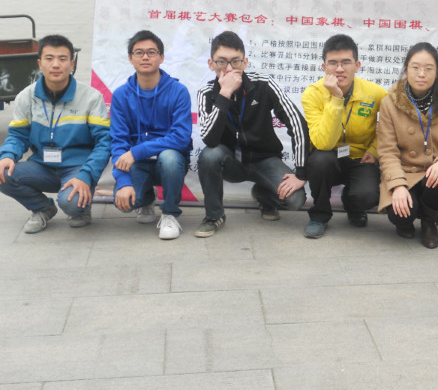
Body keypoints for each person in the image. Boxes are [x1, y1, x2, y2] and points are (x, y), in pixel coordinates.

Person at [196, 31, 309, 237]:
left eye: (235, 61)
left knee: (295, 200)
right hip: (229, 161)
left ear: (245, 62)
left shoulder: (263, 84)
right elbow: (209, 139)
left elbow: (296, 122)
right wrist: (224, 93)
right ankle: (214, 216)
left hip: (264, 159)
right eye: (221, 62)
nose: (229, 69)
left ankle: (264, 195)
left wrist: (301, 173)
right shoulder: (206, 93)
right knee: (209, 155)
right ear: (211, 64)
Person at [0, 35, 110, 233]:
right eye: (49, 59)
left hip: (78, 166)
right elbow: (17, 136)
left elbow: (104, 142)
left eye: (62, 58)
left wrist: (86, 174)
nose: (56, 65)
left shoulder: (91, 97)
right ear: (39, 64)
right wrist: (7, 155)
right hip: (42, 165)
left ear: (72, 64)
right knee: (1, 172)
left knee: (71, 203)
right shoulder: (26, 96)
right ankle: (42, 208)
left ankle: (81, 207)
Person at [377, 42, 438, 249]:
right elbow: (387, 152)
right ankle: (405, 222)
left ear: (437, 72)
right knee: (400, 214)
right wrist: (397, 186)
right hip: (404, 172)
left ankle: (429, 223)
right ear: (406, 69)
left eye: (428, 68)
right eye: (415, 67)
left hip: (433, 171)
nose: (421, 74)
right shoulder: (390, 102)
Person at [109, 30, 193, 240]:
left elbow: (181, 137)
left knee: (170, 157)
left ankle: (170, 213)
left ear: (161, 57)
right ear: (131, 58)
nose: (145, 57)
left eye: (151, 52)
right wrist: (124, 182)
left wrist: (137, 151)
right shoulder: (121, 95)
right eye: (139, 52)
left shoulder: (178, 91)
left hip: (169, 161)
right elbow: (118, 143)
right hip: (138, 164)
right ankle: (145, 199)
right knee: (124, 203)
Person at [301, 34, 386, 239]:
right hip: (329, 157)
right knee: (320, 160)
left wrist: (374, 150)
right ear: (324, 67)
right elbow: (323, 143)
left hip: (360, 158)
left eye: (346, 62)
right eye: (333, 63)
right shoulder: (312, 94)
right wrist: (336, 99)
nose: (339, 69)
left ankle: (353, 205)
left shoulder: (374, 93)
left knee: (367, 195)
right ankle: (319, 215)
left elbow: (390, 126)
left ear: (357, 65)